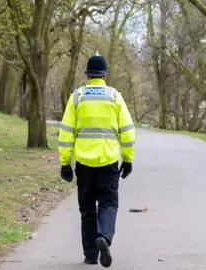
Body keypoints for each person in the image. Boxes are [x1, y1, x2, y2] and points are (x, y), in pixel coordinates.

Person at [58, 52, 136, 268]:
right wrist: (128, 160)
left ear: (87, 76)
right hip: (109, 162)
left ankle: (91, 254)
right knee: (108, 204)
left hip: (84, 164)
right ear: (104, 76)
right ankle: (104, 237)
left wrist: (65, 163)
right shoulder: (114, 97)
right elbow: (128, 132)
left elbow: (66, 133)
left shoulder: (77, 97)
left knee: (87, 209)